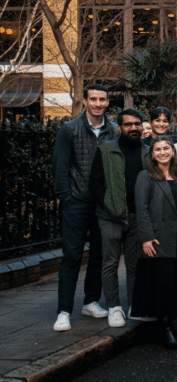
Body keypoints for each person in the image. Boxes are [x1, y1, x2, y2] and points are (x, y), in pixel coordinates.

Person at [53, 83, 118, 332]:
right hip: (77, 203)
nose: (98, 104)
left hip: (103, 206)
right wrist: (67, 199)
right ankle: (63, 311)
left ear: (107, 102)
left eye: (102, 100)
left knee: (100, 255)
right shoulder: (69, 130)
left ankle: (91, 301)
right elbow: (60, 168)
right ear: (85, 101)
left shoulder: (114, 130)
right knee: (72, 257)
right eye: (93, 99)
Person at [132, 137, 177, 349]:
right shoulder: (145, 176)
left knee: (176, 281)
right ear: (152, 154)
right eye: (157, 149)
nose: (162, 152)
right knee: (163, 283)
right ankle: (166, 328)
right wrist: (146, 237)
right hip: (157, 237)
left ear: (173, 151)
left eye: (166, 148)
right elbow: (141, 208)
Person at [89, 109, 147, 328]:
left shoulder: (147, 151)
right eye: (128, 124)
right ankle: (114, 307)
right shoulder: (106, 149)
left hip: (137, 217)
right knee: (110, 263)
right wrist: (108, 204)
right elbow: (95, 182)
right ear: (120, 127)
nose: (133, 128)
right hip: (110, 217)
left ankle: (134, 305)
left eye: (137, 124)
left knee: (135, 264)